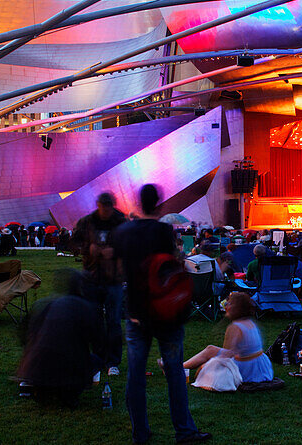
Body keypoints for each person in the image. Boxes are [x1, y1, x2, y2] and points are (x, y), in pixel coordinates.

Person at [112, 185, 209, 444]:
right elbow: (171, 263)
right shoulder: (163, 231)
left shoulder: (124, 233)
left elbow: (120, 270)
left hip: (136, 312)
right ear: (160, 204)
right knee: (174, 372)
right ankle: (184, 430)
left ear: (139, 203)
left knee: (135, 375)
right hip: (165, 312)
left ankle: (140, 432)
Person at [17, 269, 102, 408]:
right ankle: (66, 391)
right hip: (67, 372)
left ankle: (43, 389)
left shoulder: (49, 305)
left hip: (36, 370)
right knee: (95, 360)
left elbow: (25, 333)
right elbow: (99, 342)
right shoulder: (86, 308)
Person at [71, 192, 128, 378]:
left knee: (113, 321)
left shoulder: (121, 221)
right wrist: (88, 249)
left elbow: (131, 244)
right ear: (98, 205)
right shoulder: (87, 222)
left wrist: (117, 251)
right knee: (94, 321)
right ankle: (97, 358)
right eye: (103, 206)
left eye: (109, 206)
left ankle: (113, 361)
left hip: (113, 279)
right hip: (92, 278)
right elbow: (72, 242)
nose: (106, 210)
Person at [182, 292, 273, 384]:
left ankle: (177, 369)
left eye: (228, 304)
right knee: (210, 349)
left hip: (245, 369)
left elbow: (226, 357)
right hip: (260, 366)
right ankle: (181, 367)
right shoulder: (250, 322)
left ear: (236, 309)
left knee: (207, 365)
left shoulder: (235, 327)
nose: (226, 306)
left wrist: (206, 366)